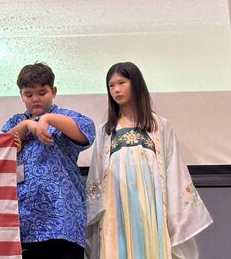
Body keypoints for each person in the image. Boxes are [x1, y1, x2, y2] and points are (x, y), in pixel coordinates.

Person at [85, 62, 212, 259]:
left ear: (135, 84)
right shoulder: (106, 131)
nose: (116, 90)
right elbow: (97, 174)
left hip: (151, 206)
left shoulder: (160, 126)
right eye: (111, 85)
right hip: (115, 206)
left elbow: (173, 169)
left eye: (122, 83)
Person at [2, 62, 95, 259]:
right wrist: (28, 124)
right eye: (29, 95)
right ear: (21, 96)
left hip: (61, 220)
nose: (35, 99)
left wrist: (48, 120)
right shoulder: (15, 121)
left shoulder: (66, 117)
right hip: (23, 220)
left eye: (42, 93)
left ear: (53, 91)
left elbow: (87, 133)